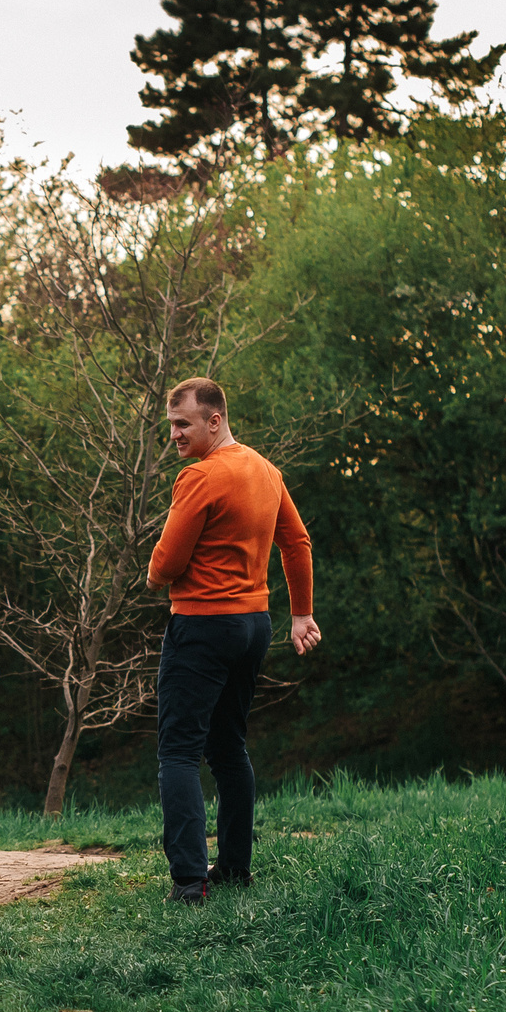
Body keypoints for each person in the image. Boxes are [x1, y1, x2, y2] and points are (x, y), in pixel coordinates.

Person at [144, 378, 320, 904]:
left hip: (201, 626)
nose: (174, 435)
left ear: (214, 420)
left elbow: (164, 565)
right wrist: (302, 613)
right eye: (171, 425)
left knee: (178, 751)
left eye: (183, 424)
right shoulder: (265, 470)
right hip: (253, 627)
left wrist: (157, 572)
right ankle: (235, 868)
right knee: (228, 747)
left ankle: (189, 881)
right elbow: (298, 540)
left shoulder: (199, 477)